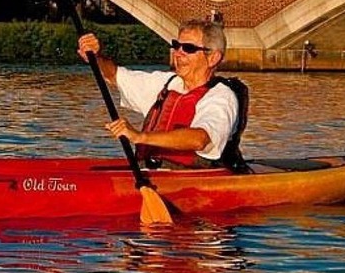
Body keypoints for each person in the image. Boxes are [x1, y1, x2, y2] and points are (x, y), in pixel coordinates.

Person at [76, 18, 242, 170]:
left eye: (188, 48)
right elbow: (113, 75)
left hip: (191, 178)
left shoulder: (221, 96)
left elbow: (200, 139)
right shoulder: (166, 84)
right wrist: (95, 57)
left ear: (213, 58)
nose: (178, 53)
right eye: (176, 45)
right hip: (147, 171)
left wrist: (140, 136)